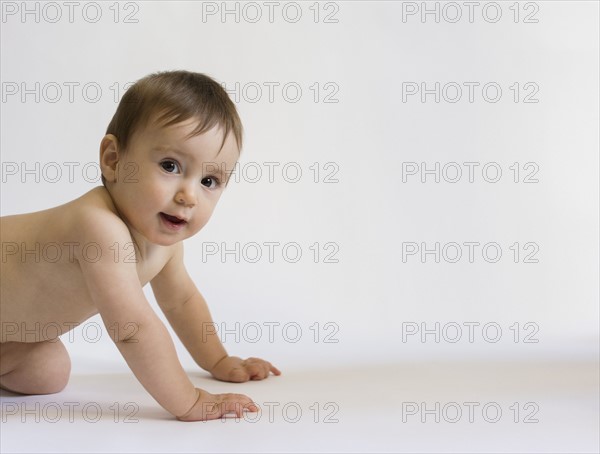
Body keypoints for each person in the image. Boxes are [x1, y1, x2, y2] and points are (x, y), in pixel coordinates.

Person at [0, 70, 281, 421]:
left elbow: (181, 301)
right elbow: (132, 328)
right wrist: (188, 400)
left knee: (48, 372)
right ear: (113, 160)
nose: (189, 195)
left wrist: (218, 360)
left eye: (209, 180)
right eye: (170, 165)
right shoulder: (97, 227)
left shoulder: (162, 242)